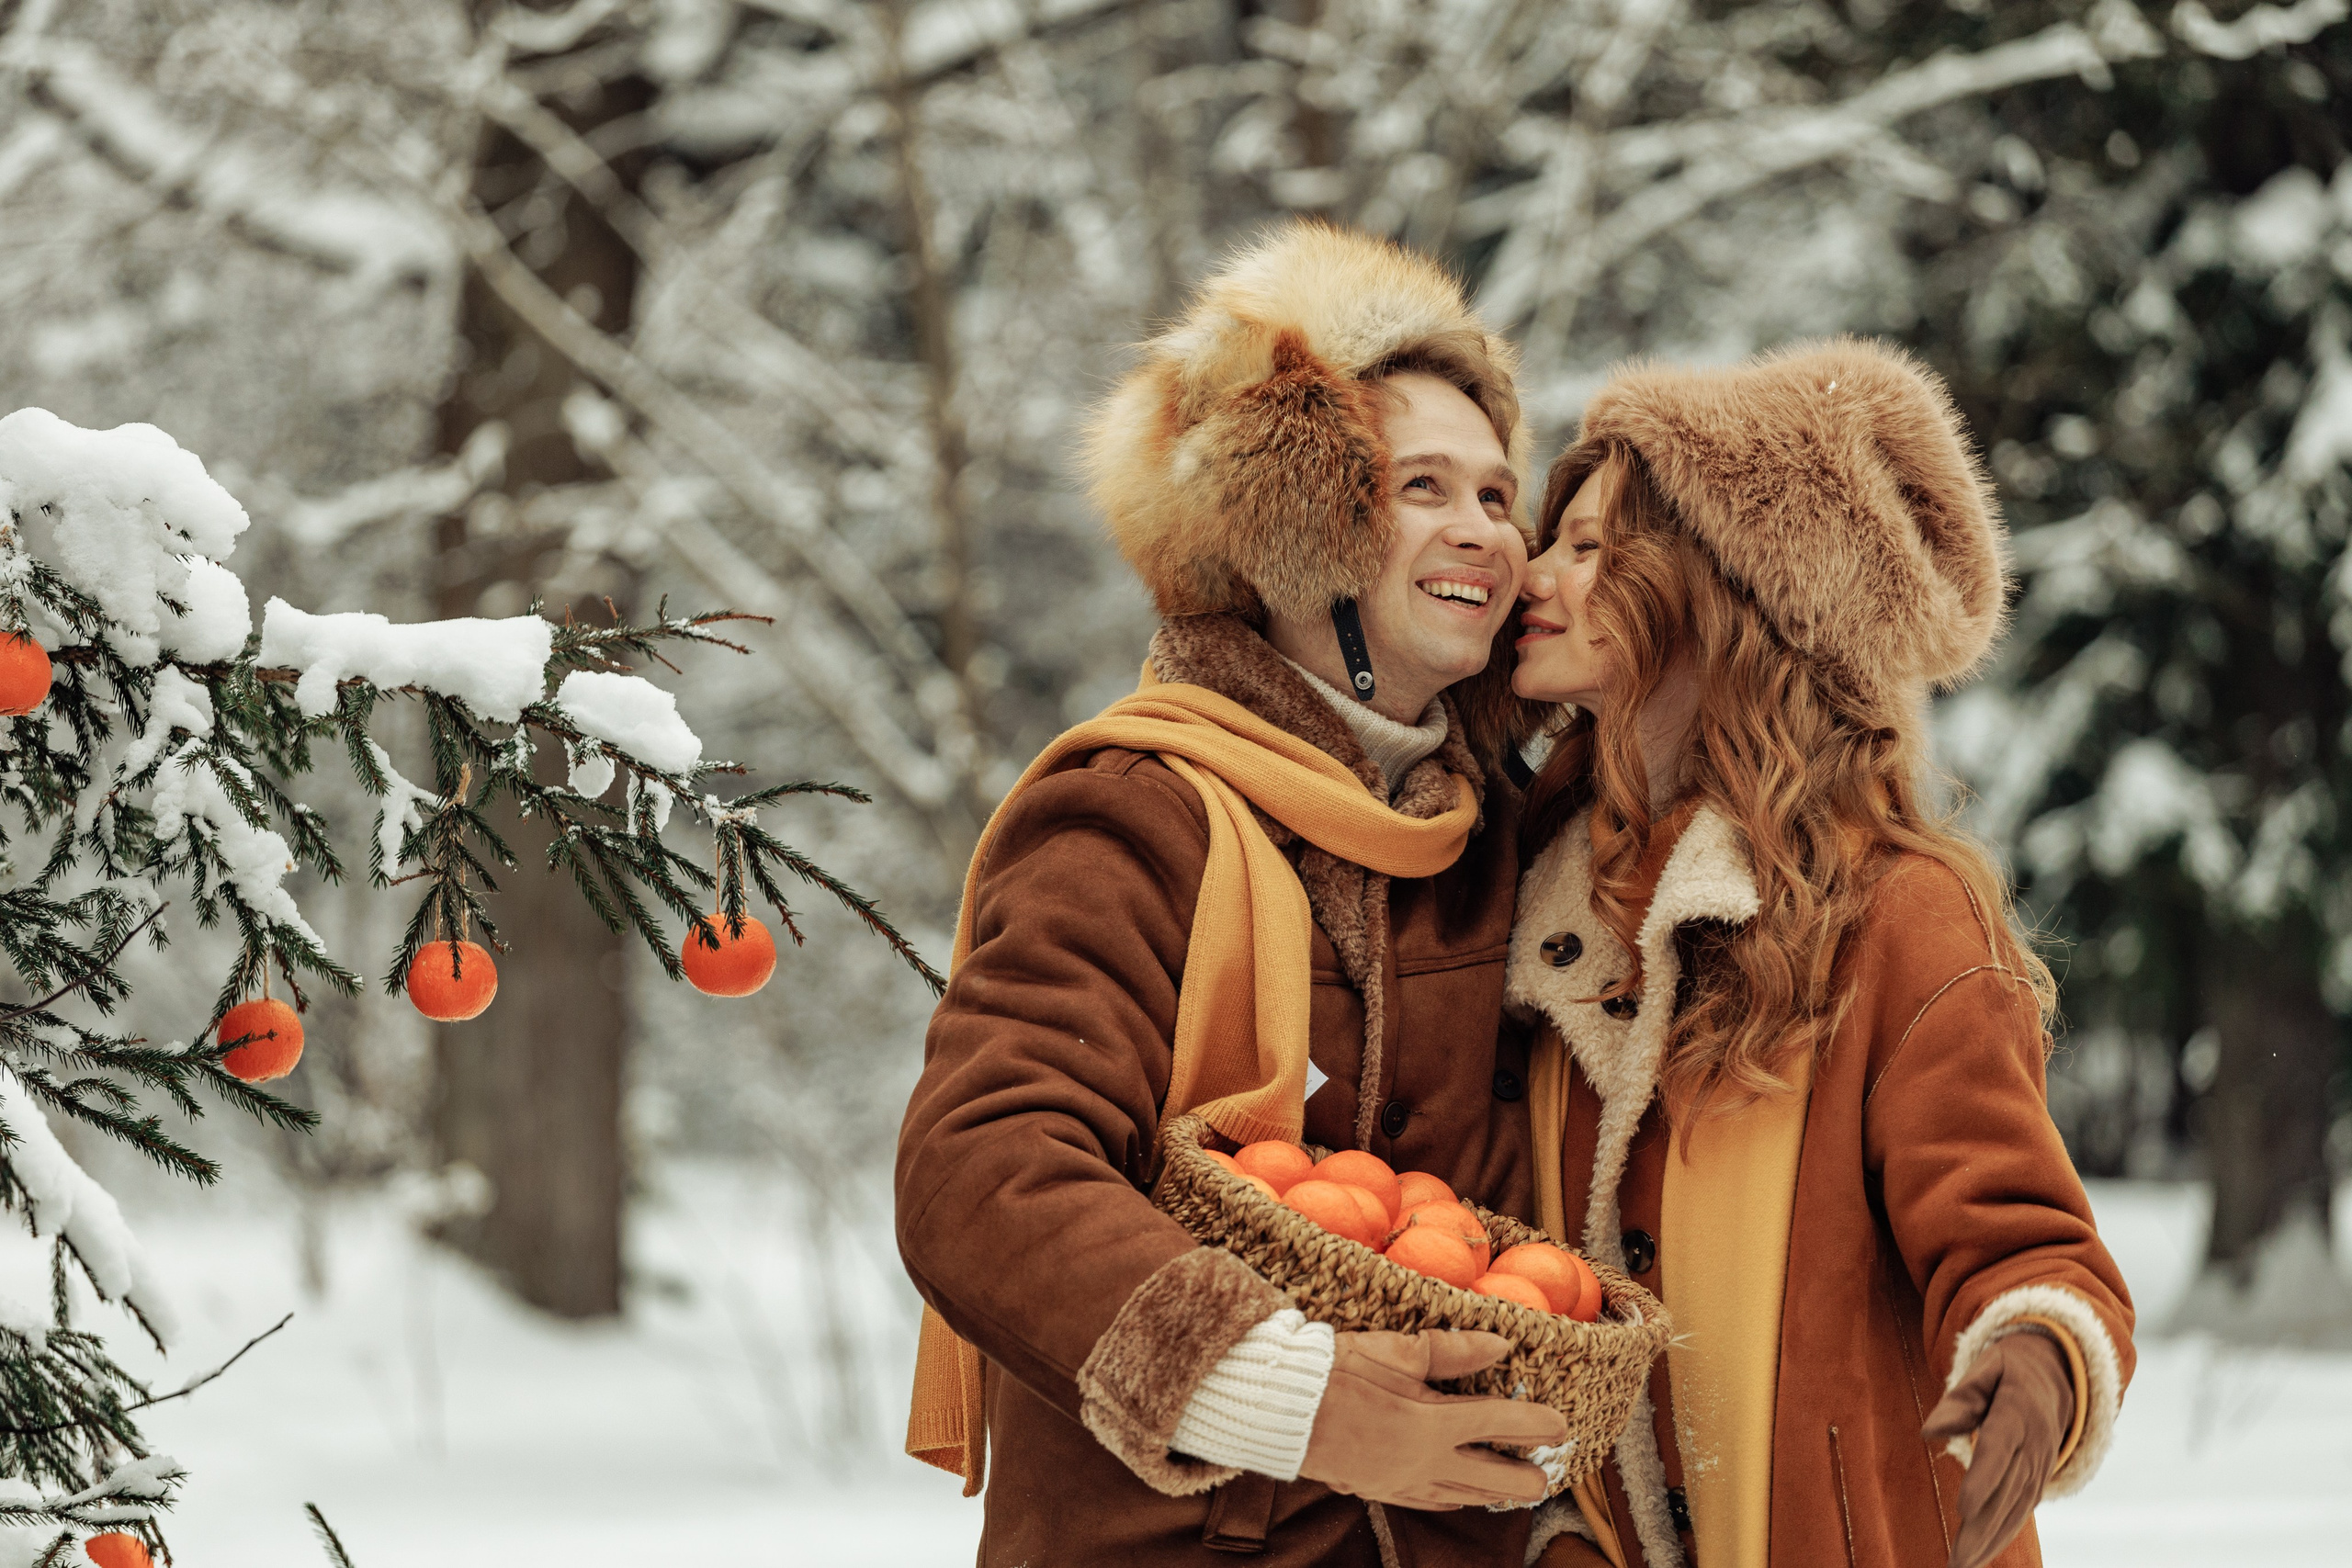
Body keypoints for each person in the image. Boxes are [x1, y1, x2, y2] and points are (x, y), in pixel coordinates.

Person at [896, 221, 1566, 1567]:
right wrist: (1299, 1400)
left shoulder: (1500, 842)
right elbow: (985, 1171)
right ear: (1306, 522)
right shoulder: (1136, 811)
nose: (1482, 530)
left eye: (1499, 496)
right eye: (1421, 484)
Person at [1500, 340, 2135, 1568]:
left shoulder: (1898, 915)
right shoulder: (1550, 923)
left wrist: (2035, 1365)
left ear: (1716, 592)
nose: (1535, 573)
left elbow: (2020, 1240)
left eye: (1590, 548)